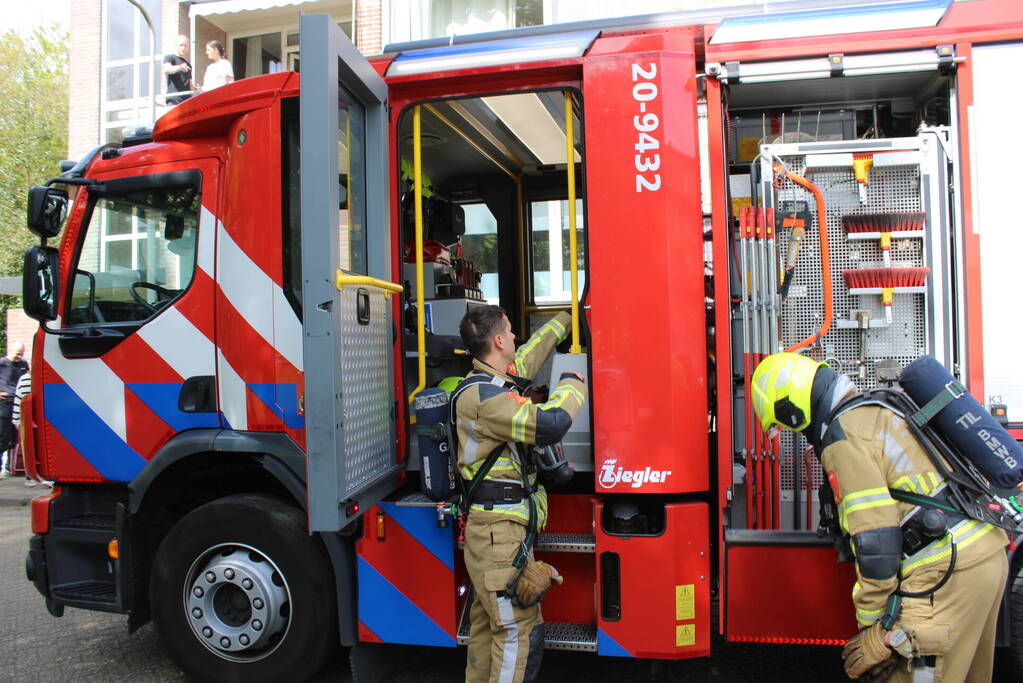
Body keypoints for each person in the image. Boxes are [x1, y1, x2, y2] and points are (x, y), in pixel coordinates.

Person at [751, 352, 1008, 683]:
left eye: (788, 425)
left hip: (942, 574)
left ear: (792, 408)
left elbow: (875, 540)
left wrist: (873, 625)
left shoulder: (843, 436)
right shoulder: (879, 407)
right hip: (985, 555)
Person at [454, 307, 586, 683]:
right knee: (517, 633)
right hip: (499, 535)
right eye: (510, 331)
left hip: (498, 533)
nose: (515, 337)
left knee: (487, 631)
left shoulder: (494, 379)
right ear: (498, 341)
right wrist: (573, 383)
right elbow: (551, 424)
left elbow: (530, 353)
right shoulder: (485, 398)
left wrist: (568, 317)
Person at [0, 342, 28, 476]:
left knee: (14, 437)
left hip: (18, 403)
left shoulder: (23, 364)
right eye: (17, 354)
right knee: (2, 436)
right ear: (10, 350)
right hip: (4, 403)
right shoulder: (2, 363)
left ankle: (10, 468)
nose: (19, 357)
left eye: (21, 354)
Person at [162, 34, 193, 105]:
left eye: (186, 46)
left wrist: (196, 89)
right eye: (181, 45)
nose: (183, 48)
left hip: (187, 101)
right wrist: (179, 67)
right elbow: (167, 69)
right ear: (175, 45)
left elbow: (190, 85)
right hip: (174, 100)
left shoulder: (188, 65)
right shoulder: (170, 58)